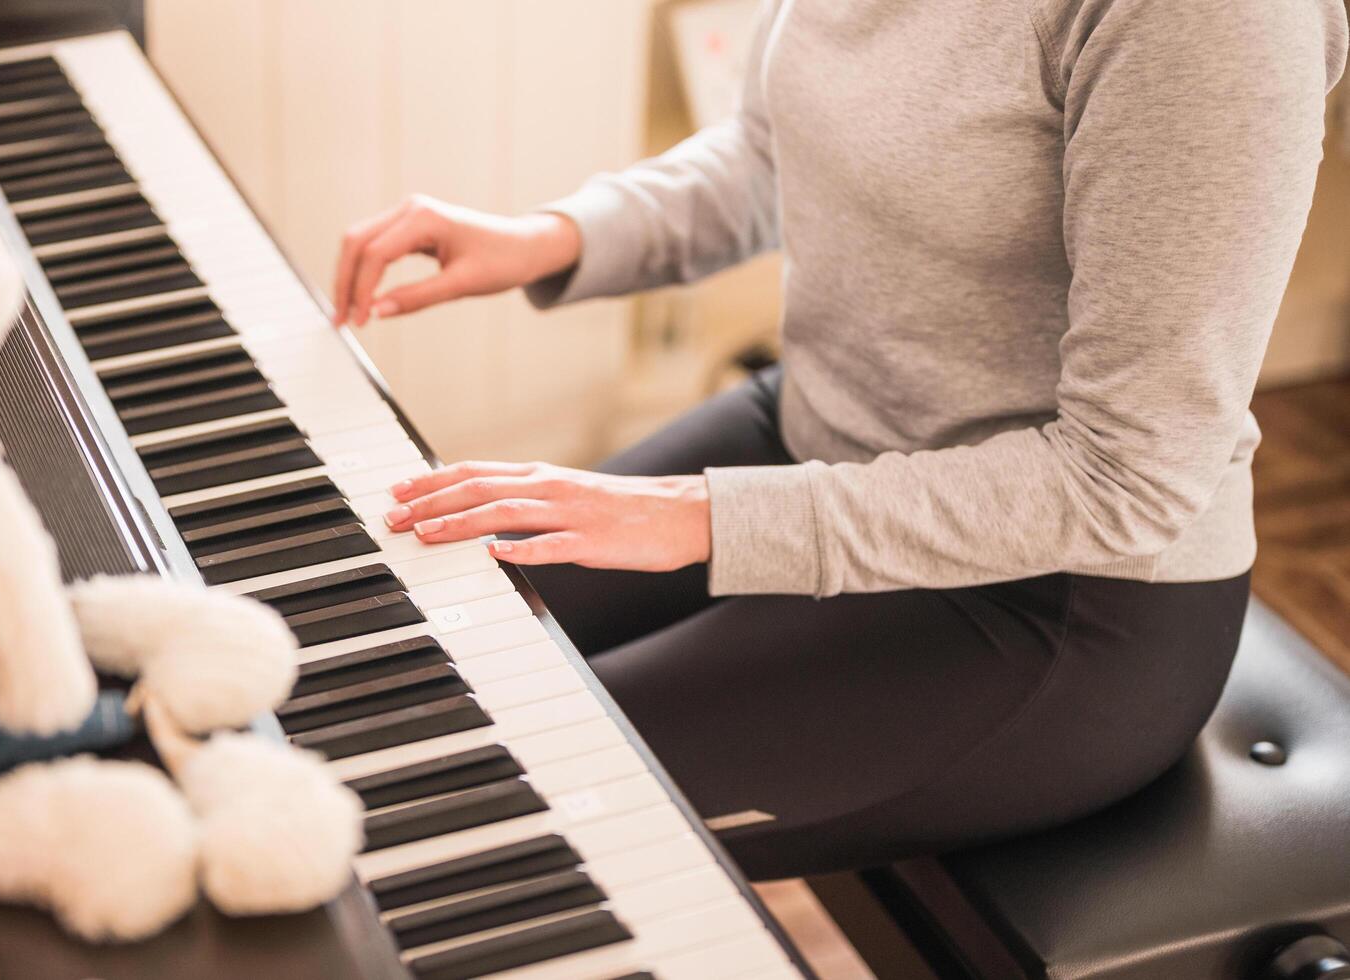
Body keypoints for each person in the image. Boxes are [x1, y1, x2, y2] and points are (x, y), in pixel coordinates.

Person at [331, 0, 1349, 878]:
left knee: (458, 799)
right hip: (816, 432)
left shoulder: (1211, 23)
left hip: (1059, 602)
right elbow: (775, 152)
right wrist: (558, 234)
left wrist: (700, 517)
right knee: (391, 659)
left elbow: (1130, 477)